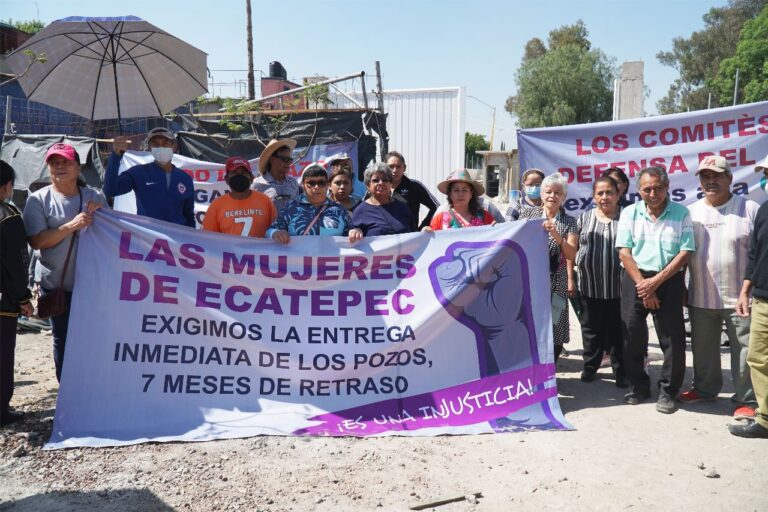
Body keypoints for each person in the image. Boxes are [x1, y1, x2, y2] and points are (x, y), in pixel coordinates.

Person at [680, 156, 758, 419]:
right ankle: (704, 389)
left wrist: (750, 290)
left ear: (730, 178)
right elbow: (683, 254)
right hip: (701, 296)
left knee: (744, 353)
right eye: (705, 177)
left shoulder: (749, 208)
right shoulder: (691, 213)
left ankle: (746, 399)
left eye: (717, 176)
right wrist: (681, 288)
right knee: (703, 349)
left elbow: (760, 253)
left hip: (742, 299)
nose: (711, 181)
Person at [23, 143, 106, 382]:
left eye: (66, 162)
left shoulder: (95, 196)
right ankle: (68, 391)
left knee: (93, 339)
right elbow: (37, 241)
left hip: (91, 285)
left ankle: (91, 387)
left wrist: (102, 216)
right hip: (57, 286)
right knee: (64, 339)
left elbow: (111, 232)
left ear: (78, 167)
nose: (60, 167)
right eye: (54, 163)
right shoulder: (38, 200)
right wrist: (72, 226)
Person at [616, 166, 695, 414]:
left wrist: (656, 282)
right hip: (635, 278)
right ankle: (639, 386)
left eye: (658, 188)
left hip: (668, 279)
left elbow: (685, 252)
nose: (653, 194)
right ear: (639, 190)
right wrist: (644, 285)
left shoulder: (681, 213)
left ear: (667, 187)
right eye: (647, 189)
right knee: (631, 335)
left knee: (673, 339)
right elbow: (624, 252)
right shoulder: (629, 213)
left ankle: (669, 391)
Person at [574, 176, 626, 386]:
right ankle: (590, 367)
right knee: (591, 331)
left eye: (609, 192)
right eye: (600, 193)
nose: (605, 197)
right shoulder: (583, 218)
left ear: (618, 194)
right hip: (590, 286)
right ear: (594, 196)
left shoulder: (627, 217)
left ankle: (621, 372)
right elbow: (572, 249)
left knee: (618, 332)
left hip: (619, 288)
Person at [519, 172, 578, 360]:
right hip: (531, 281)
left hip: (557, 283)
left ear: (564, 197)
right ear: (542, 194)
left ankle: (550, 367)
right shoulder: (528, 215)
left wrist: (556, 235)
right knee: (530, 322)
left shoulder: (570, 222)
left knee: (556, 324)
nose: (552, 196)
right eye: (549, 191)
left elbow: (571, 253)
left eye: (558, 193)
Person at [732, 157, 768, 438]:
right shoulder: (764, 209)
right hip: (763, 299)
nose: (766, 178)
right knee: (758, 358)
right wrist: (745, 290)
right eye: (765, 173)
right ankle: (765, 419)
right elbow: (755, 254)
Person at [0, 161, 34, 426]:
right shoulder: (8, 215)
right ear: (7, 186)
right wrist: (23, 298)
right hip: (3, 301)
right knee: (2, 356)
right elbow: (17, 261)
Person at [107, 128, 195, 227]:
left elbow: (189, 215)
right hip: (147, 235)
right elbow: (111, 190)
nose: (161, 147)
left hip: (176, 236)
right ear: (150, 148)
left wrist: (191, 235)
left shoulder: (185, 178)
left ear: (174, 147)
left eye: (165, 143)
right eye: (155, 144)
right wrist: (115, 156)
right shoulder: (138, 172)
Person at [268, 163, 358, 243]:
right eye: (311, 183)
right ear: (303, 185)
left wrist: (354, 232)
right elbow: (269, 230)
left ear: (327, 185)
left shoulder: (340, 211)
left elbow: (350, 233)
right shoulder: (289, 209)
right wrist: (275, 232)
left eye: (321, 183)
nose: (316, 187)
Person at [202, 157, 276, 237]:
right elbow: (209, 237)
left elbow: (275, 229)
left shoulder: (265, 201)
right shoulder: (216, 205)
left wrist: (275, 232)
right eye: (234, 172)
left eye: (244, 172)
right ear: (226, 179)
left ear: (252, 178)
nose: (239, 176)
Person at [352, 163, 415, 236]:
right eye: (375, 180)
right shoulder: (360, 211)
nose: (381, 183)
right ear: (368, 185)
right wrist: (356, 231)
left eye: (385, 180)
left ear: (391, 184)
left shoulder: (402, 207)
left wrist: (424, 232)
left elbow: (414, 234)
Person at [424, 169, 495, 231]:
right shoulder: (440, 219)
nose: (460, 194)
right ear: (450, 194)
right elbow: (431, 240)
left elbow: (495, 239)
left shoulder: (485, 217)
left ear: (471, 194)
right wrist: (426, 233)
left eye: (464, 190)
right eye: (456, 190)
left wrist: (496, 230)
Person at [385, 151, 438, 230]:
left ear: (404, 168)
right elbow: (366, 208)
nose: (394, 170)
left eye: (398, 166)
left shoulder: (414, 186)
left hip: (410, 236)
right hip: (383, 236)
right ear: (384, 167)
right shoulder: (377, 187)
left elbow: (436, 207)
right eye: (391, 166)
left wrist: (422, 228)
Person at [254, 138, 301, 216]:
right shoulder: (257, 185)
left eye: (290, 160)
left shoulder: (293, 183)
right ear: (272, 159)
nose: (288, 163)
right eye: (285, 159)